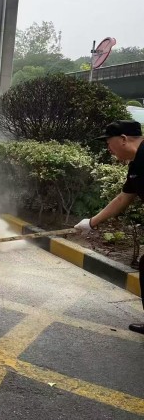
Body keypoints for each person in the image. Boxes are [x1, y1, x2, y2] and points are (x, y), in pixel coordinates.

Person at [74, 119, 144, 335]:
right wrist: (91, 223)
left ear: (123, 139)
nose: (108, 149)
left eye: (108, 143)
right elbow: (124, 198)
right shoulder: (136, 164)